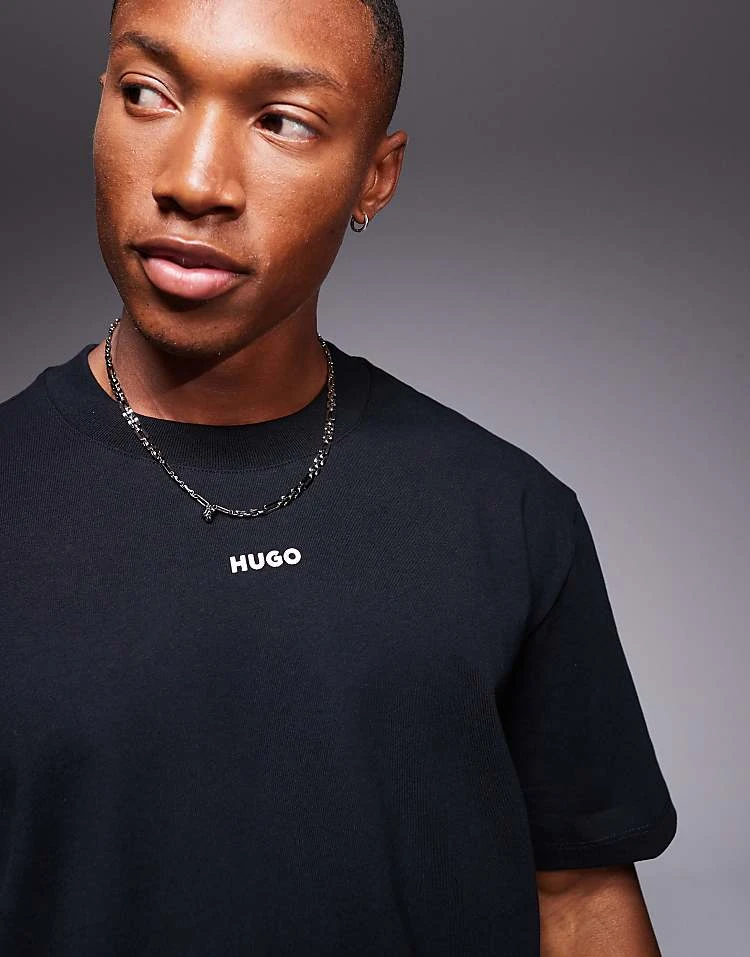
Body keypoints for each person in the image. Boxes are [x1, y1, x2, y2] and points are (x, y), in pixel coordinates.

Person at [0, 0, 677, 954]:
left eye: (281, 120)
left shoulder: (511, 512)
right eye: (147, 93)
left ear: (375, 177)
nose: (193, 182)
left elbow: (578, 903)